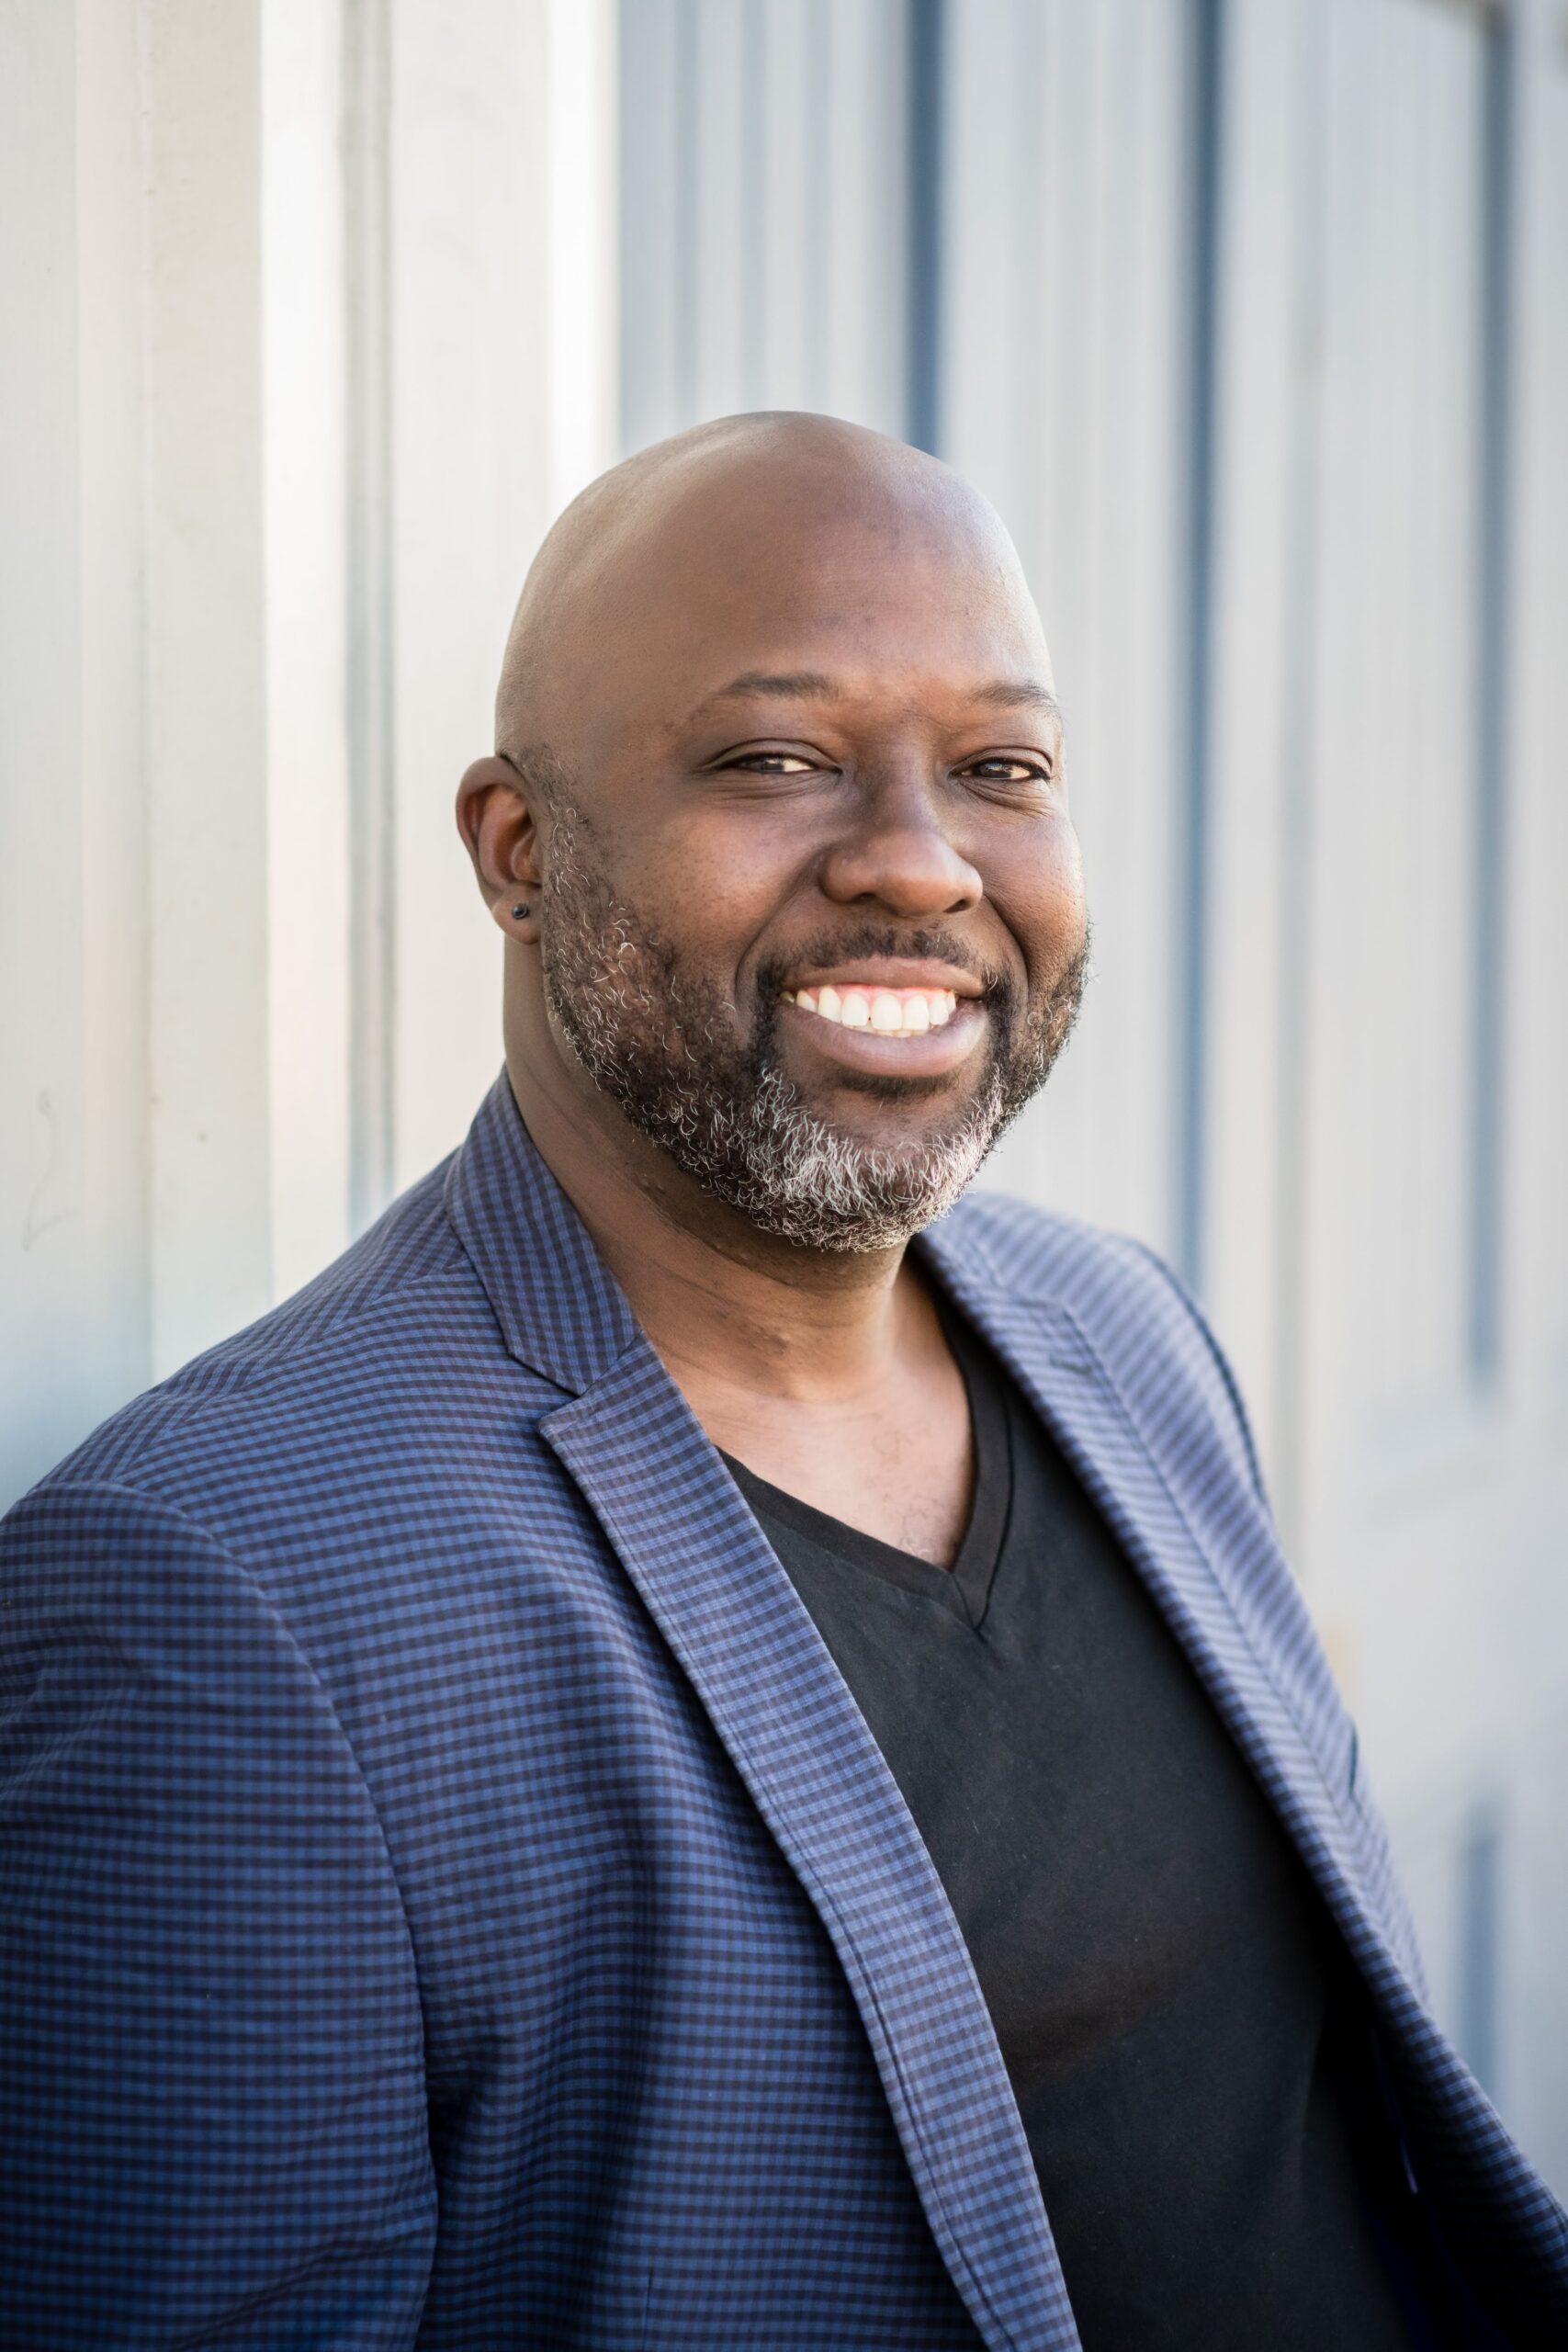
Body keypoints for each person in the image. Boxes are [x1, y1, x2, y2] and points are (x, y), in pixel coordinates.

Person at [0, 414, 1562, 2351]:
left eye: (1000, 768)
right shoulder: (218, 1596)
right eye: (775, 759)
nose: (918, 858)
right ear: (517, 853)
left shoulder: (1126, 1332)